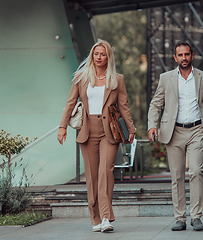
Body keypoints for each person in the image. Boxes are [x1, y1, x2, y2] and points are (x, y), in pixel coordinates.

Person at [57, 40, 136, 233]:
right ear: (92, 56)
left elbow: (123, 106)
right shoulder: (81, 77)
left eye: (102, 54)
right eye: (96, 54)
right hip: (87, 130)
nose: (99, 57)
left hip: (109, 130)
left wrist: (131, 128)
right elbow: (70, 103)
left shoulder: (117, 79)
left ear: (108, 57)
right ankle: (96, 219)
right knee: (91, 176)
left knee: (105, 172)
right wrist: (62, 127)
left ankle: (106, 217)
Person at [147, 41, 203, 231]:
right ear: (175, 57)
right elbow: (156, 104)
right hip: (174, 132)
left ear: (192, 55)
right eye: (180, 55)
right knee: (177, 176)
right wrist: (152, 126)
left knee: (196, 171)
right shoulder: (166, 78)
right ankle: (180, 217)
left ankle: (196, 216)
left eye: (187, 54)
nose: (184, 58)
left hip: (196, 130)